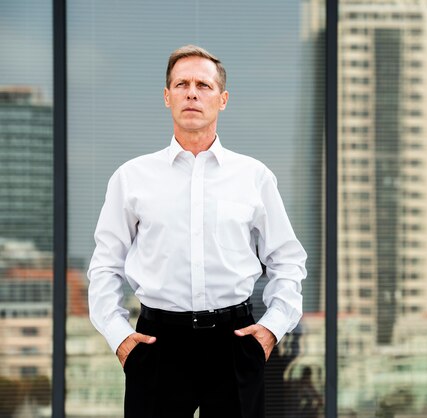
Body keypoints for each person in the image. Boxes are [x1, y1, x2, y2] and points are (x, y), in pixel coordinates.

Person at [87, 44, 307, 418]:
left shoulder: (254, 177)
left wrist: (270, 329)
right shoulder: (132, 178)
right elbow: (105, 266)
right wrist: (120, 337)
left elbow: (288, 261)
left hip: (235, 341)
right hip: (157, 344)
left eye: (203, 85)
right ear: (167, 96)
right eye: (182, 83)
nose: (191, 92)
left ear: (222, 99)